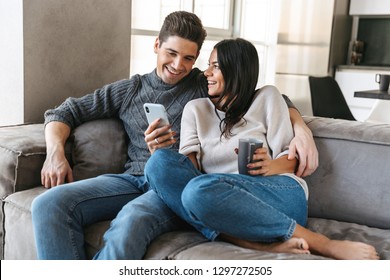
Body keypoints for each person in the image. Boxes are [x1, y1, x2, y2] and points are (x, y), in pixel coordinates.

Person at [31, 11, 317, 260]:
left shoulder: (202, 83)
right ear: (157, 45)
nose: (179, 65)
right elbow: (63, 112)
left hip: (177, 184)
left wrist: (300, 127)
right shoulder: (129, 89)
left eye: (189, 58)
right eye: (171, 53)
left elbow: (251, 92)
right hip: (132, 179)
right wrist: (55, 154)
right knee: (48, 204)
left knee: (130, 221)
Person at [144, 38, 379, 260]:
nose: (206, 73)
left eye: (215, 66)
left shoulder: (267, 97)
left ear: (237, 71)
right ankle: (251, 242)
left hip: (278, 192)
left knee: (197, 190)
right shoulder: (195, 109)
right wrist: (164, 154)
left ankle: (323, 243)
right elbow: (190, 175)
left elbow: (292, 160)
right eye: (208, 66)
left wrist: (269, 166)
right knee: (160, 165)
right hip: (220, 198)